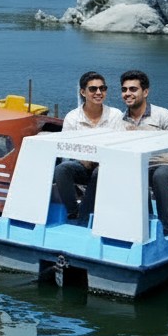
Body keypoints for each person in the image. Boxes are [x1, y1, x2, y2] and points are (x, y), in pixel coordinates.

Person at [52, 71, 124, 223]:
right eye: (93, 89)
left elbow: (121, 145)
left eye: (102, 88)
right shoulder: (73, 117)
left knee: (100, 171)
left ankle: (84, 216)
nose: (98, 92)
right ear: (83, 92)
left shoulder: (115, 115)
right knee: (62, 169)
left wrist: (101, 159)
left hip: (109, 167)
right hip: (83, 164)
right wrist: (84, 158)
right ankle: (73, 211)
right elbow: (67, 147)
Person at [119, 69, 168, 236]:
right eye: (124, 90)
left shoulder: (162, 115)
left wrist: (144, 138)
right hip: (138, 167)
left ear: (145, 92)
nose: (127, 94)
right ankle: (140, 224)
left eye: (133, 89)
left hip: (166, 166)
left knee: (160, 176)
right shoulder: (120, 120)